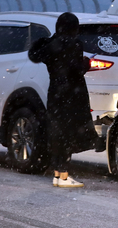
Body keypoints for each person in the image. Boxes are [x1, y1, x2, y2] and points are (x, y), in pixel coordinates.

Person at [28, 12, 98, 189]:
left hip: (55, 94)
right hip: (72, 95)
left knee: (57, 132)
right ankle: (64, 175)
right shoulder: (74, 44)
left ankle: (58, 174)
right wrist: (86, 64)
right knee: (70, 133)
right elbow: (75, 69)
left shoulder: (51, 44)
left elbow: (37, 56)